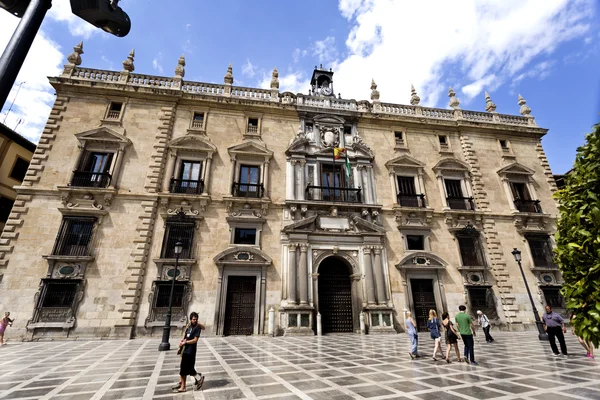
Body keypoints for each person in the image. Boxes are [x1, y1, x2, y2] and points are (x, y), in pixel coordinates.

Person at [172, 312, 205, 393]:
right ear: (190, 319)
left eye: (196, 319)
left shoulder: (197, 328)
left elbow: (195, 340)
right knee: (185, 368)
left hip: (190, 351)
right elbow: (185, 337)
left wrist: (186, 343)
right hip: (185, 349)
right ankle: (194, 379)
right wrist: (180, 346)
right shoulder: (189, 326)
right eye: (194, 319)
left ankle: (185, 385)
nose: (195, 320)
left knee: (186, 369)